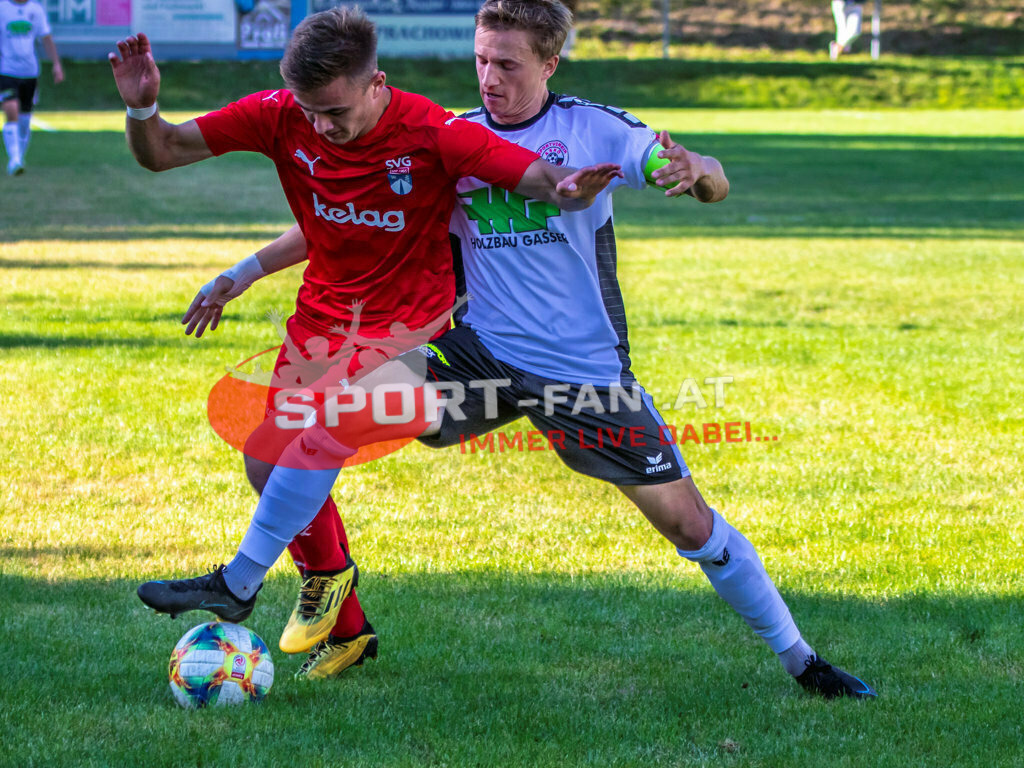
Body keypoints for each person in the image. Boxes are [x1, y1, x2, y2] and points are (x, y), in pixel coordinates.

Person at [143, 0, 878, 698]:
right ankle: (245, 581)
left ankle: (802, 660)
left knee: (690, 525)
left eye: (509, 65)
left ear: (551, 63)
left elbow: (694, 167)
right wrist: (243, 272)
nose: (490, 79)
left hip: (580, 377)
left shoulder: (592, 130)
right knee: (335, 408)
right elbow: (340, 226)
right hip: (479, 360)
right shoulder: (447, 134)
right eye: (482, 60)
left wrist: (694, 174)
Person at [110, 6, 620, 669]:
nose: (323, 127)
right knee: (266, 462)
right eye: (310, 112)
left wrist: (574, 189)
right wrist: (145, 111)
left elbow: (539, 179)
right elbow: (165, 151)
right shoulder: (280, 114)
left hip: (408, 329)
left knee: (315, 438)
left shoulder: (434, 132)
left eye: (336, 113)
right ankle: (348, 629)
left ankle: (239, 583)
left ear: (375, 83)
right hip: (322, 319)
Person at [0, 0, 63, 176]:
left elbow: (46, 38)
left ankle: (19, 156)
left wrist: (56, 64)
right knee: (11, 109)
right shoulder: (2, 8)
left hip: (29, 72)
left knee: (25, 118)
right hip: (7, 71)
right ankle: (14, 159)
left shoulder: (35, 10)